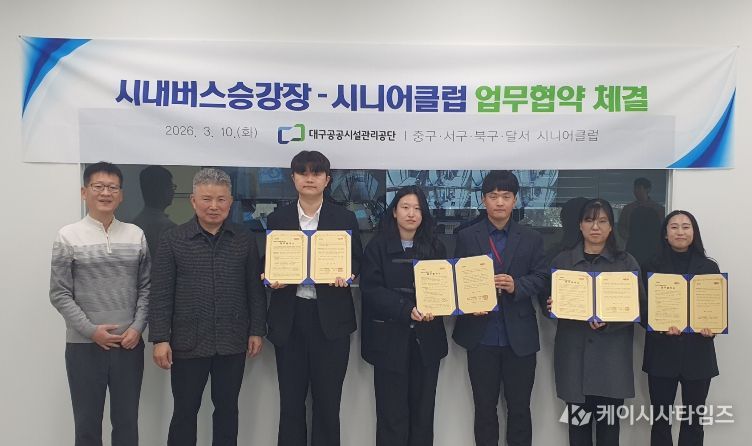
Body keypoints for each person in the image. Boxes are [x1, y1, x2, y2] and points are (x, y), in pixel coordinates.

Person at [148, 168, 267, 446]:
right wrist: (160, 339)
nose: (214, 206)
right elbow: (161, 293)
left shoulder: (244, 239)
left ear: (230, 202)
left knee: (227, 410)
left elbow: (254, 288)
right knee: (185, 411)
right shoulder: (173, 239)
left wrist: (256, 330)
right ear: (193, 201)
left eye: (221, 199)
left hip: (232, 340)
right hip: (187, 341)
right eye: (206, 199)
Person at [264, 150, 363, 446]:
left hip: (331, 320)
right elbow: (267, 261)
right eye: (303, 172)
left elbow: (357, 260)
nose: (309, 178)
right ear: (293, 178)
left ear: (327, 180)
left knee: (328, 403)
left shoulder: (344, 218)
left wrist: (348, 274)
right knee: (290, 403)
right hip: (290, 317)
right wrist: (269, 276)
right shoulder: (278, 218)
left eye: (316, 173)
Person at [50, 161, 150, 446]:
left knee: (127, 424)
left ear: (121, 194)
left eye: (112, 188)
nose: (106, 193)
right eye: (98, 187)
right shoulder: (68, 236)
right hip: (84, 346)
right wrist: (91, 331)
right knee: (86, 426)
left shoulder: (136, 235)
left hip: (128, 345)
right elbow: (59, 293)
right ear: (84, 192)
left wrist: (137, 328)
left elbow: (147, 288)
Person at [452, 170, 548, 446]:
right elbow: (456, 279)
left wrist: (517, 285)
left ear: (515, 200)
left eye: (506, 196)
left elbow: (542, 277)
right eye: (493, 196)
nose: (499, 202)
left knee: (520, 409)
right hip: (480, 336)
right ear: (483, 200)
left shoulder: (531, 238)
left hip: (519, 337)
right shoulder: (466, 236)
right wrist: (468, 304)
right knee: (484, 409)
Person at [548, 198, 646, 446]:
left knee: (609, 435)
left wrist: (610, 323)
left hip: (611, 364)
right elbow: (546, 301)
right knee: (577, 433)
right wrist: (551, 305)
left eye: (602, 221)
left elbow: (640, 307)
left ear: (611, 227)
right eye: (589, 220)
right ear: (580, 225)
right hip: (574, 361)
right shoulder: (562, 261)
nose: (595, 227)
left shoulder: (626, 262)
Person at [360, 185, 448, 446]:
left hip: (426, 341)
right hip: (388, 341)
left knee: (423, 413)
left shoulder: (435, 247)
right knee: (391, 414)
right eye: (405, 207)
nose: (411, 214)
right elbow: (371, 289)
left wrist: (439, 306)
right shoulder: (377, 247)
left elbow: (445, 288)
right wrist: (405, 308)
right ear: (394, 212)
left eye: (418, 208)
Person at [642, 211, 720, 446]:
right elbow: (641, 309)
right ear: (665, 234)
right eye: (674, 227)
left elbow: (716, 307)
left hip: (698, 355)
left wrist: (713, 327)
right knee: (660, 421)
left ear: (694, 232)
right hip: (661, 353)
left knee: (694, 422)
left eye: (686, 227)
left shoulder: (709, 267)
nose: (680, 232)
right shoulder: (650, 266)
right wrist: (659, 327)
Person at [132, 165, 177, 259]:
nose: (173, 192)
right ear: (161, 190)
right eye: (171, 187)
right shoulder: (167, 229)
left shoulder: (135, 224)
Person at [617, 177, 665, 243]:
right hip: (633, 244)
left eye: (639, 188)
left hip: (652, 244)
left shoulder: (658, 209)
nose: (636, 191)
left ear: (648, 189)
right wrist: (630, 238)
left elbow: (662, 228)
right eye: (635, 188)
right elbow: (621, 227)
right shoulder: (628, 209)